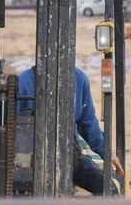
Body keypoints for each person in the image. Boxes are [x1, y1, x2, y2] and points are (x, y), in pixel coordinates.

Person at [16, 65, 123, 196]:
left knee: (108, 189)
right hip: (30, 158)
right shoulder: (23, 82)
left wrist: (106, 152)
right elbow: (13, 128)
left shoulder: (79, 79)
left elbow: (88, 123)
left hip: (70, 157)